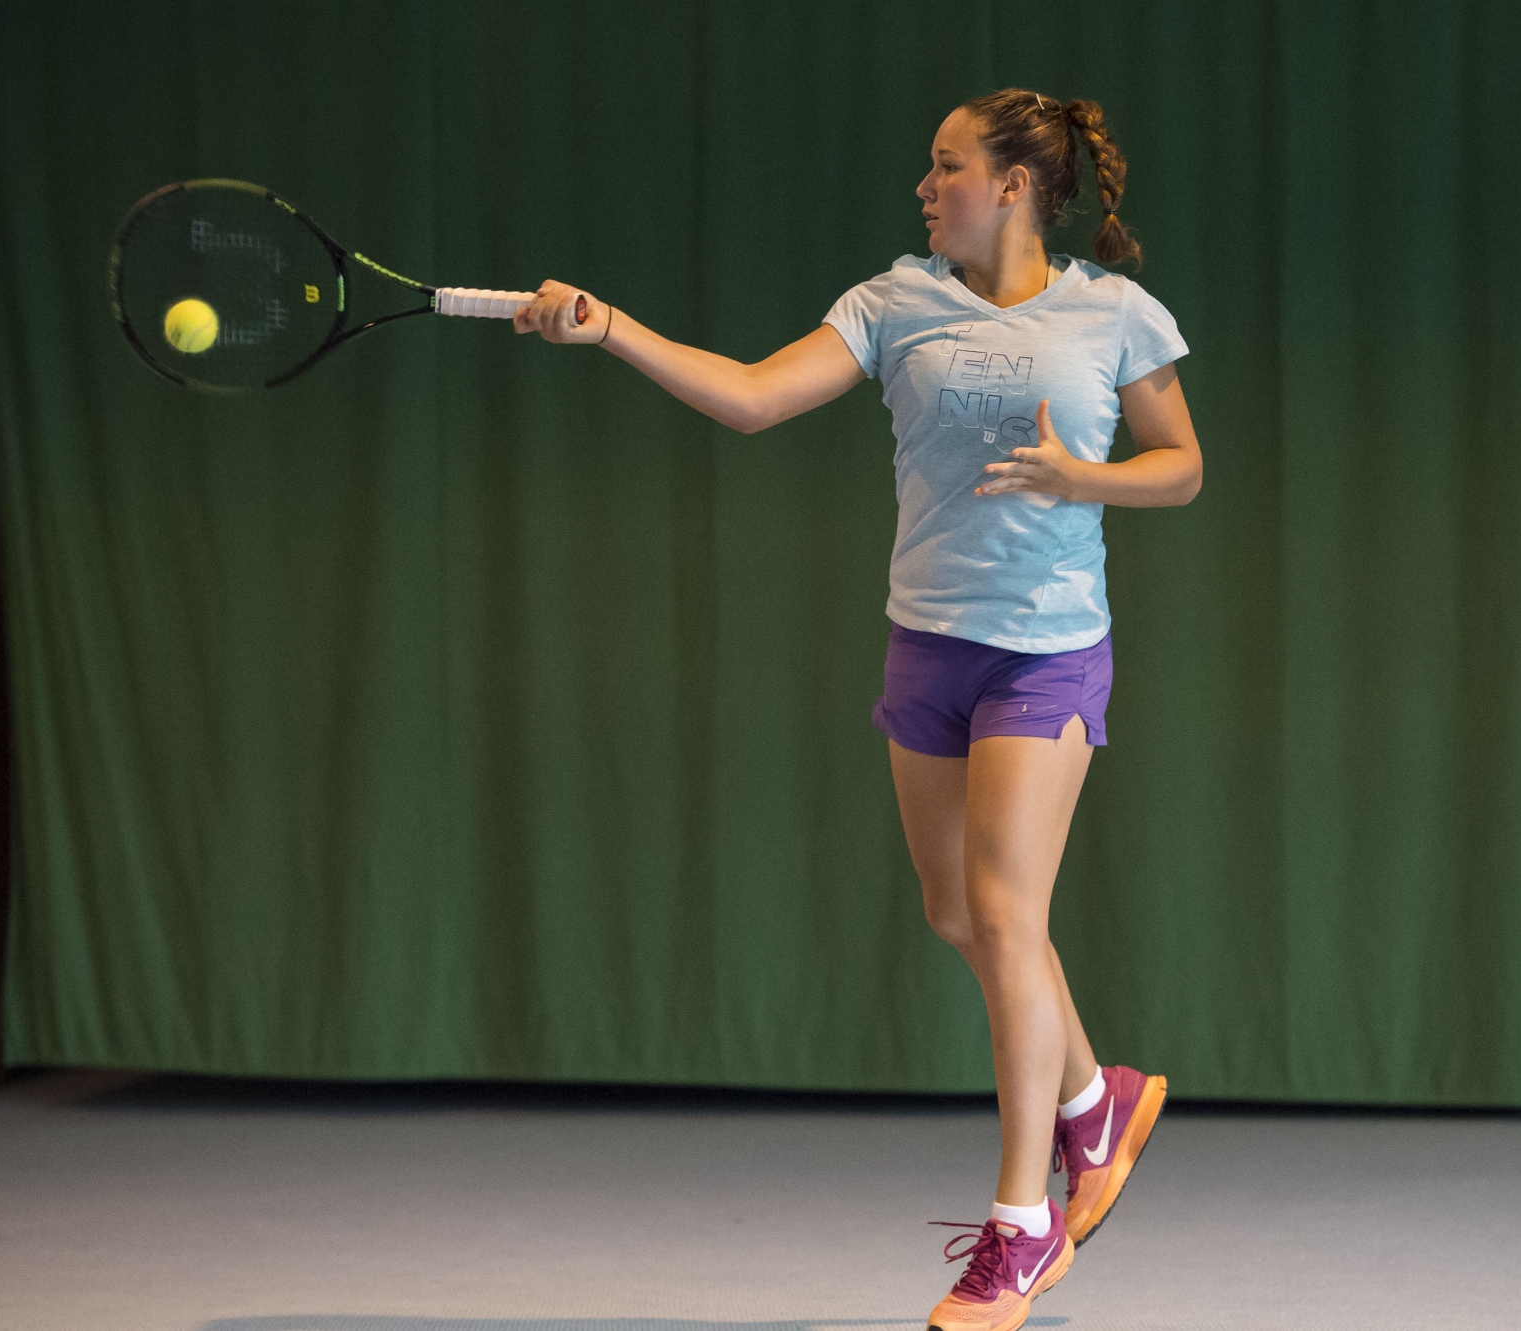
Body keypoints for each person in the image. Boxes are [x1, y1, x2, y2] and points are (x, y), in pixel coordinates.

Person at [515, 87, 1201, 1331]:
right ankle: (1094, 1101)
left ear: (1013, 186)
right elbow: (750, 398)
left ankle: (1020, 1223)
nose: (925, 186)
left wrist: (1076, 475)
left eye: (946, 166)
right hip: (925, 645)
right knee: (957, 911)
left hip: (1043, 655)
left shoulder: (1113, 313)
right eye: (928, 168)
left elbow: (1180, 466)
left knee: (1003, 914)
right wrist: (607, 326)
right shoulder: (889, 303)